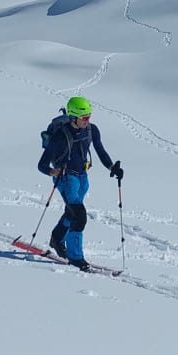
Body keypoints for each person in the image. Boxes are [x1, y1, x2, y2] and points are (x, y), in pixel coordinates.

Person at [36, 96, 123, 270]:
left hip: (83, 178)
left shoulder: (92, 130)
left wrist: (112, 167)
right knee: (79, 216)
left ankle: (57, 238)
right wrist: (53, 171)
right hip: (67, 179)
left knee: (72, 212)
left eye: (89, 117)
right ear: (74, 116)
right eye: (84, 118)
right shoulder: (60, 136)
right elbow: (42, 164)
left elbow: (100, 150)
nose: (87, 121)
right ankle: (75, 258)